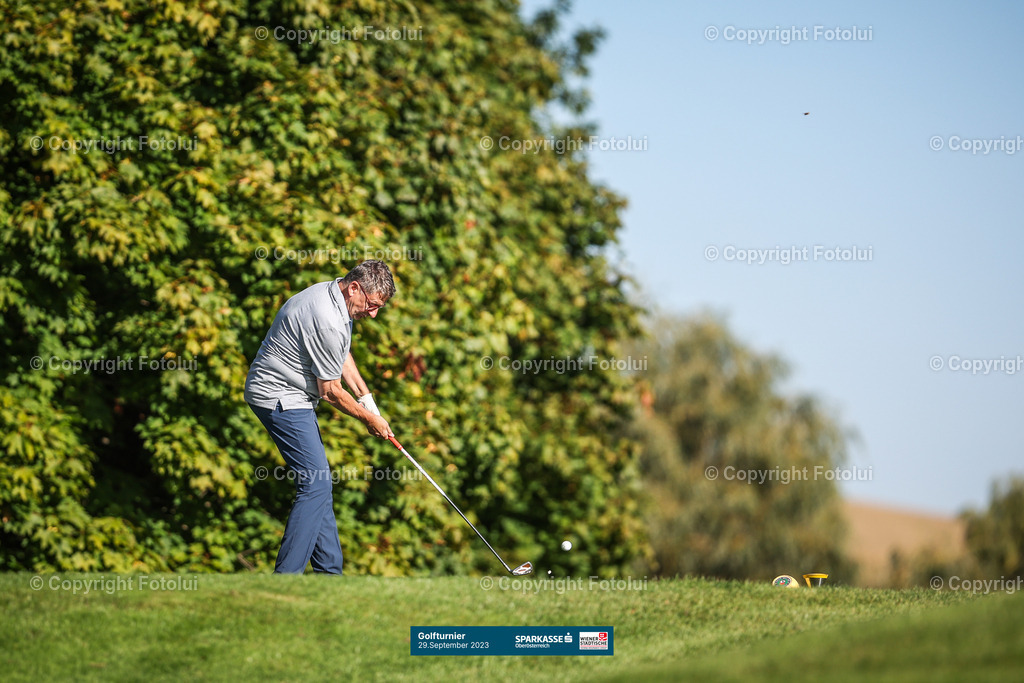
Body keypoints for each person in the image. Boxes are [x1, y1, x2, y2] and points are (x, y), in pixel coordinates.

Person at [244, 260, 396, 574]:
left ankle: (330, 576)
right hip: (278, 396)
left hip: (291, 395)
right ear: (355, 287)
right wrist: (369, 420)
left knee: (319, 482)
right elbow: (329, 391)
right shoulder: (327, 316)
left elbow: (340, 354)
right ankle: (285, 579)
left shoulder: (336, 296)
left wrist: (368, 400)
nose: (373, 314)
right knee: (315, 483)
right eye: (372, 305)